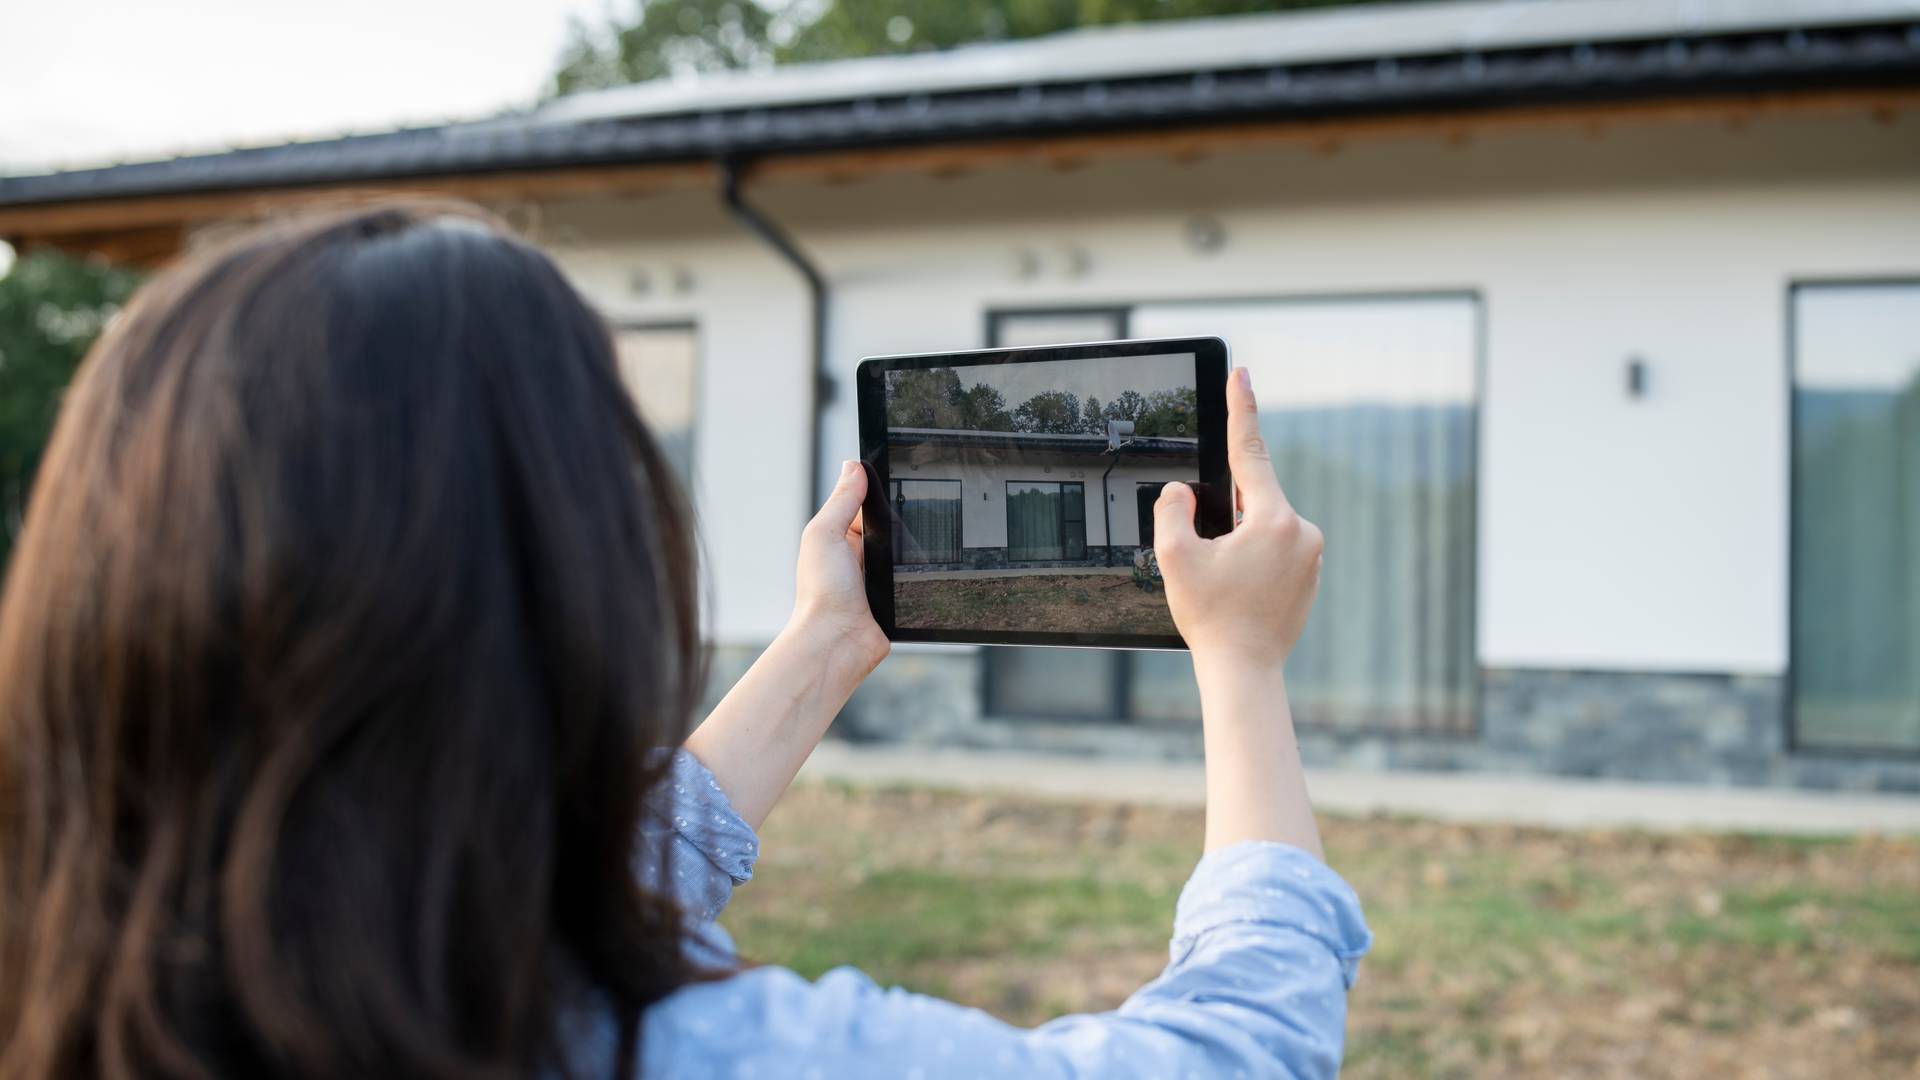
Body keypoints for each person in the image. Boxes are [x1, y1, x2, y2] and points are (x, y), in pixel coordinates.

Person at [0, 203, 1369, 1080]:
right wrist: (1240, 666)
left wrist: (826, 645)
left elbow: (588, 882)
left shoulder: (96, 995)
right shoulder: (688, 1054)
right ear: (571, 588)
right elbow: (1242, 1053)